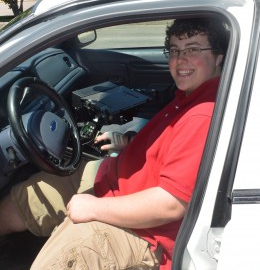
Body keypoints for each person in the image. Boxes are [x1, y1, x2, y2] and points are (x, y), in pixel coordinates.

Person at [0, 17, 229, 269]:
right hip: (113, 178)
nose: (180, 59)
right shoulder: (190, 95)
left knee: (58, 260)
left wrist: (95, 208)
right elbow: (175, 147)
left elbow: (170, 204)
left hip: (142, 231)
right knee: (27, 198)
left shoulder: (202, 114)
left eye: (193, 49)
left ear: (218, 57)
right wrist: (128, 143)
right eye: (174, 50)